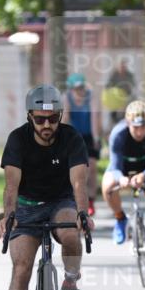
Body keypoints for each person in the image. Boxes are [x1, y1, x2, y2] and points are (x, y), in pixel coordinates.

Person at [0, 84, 95, 290]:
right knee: (22, 267)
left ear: (60, 116)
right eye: (40, 119)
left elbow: (79, 182)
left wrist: (82, 212)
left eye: (52, 119)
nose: (47, 125)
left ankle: (70, 283)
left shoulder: (71, 138)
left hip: (60, 201)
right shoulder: (17, 139)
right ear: (30, 116)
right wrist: (10, 214)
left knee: (70, 235)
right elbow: (11, 185)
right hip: (27, 204)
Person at [101, 100, 145, 271]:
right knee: (107, 186)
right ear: (128, 123)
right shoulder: (118, 134)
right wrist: (121, 178)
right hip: (123, 169)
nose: (140, 132)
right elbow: (116, 167)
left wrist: (143, 176)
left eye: (143, 127)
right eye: (135, 127)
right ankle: (120, 219)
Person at [63, 73, 102, 215]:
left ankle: (91, 199)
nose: (80, 91)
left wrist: (96, 138)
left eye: (81, 87)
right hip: (74, 136)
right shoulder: (66, 98)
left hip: (89, 135)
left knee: (91, 168)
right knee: (77, 170)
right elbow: (65, 118)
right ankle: (77, 200)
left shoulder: (91, 97)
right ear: (71, 89)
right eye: (76, 88)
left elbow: (94, 118)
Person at [102, 58, 136, 125]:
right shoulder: (114, 74)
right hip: (116, 97)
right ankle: (114, 123)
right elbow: (108, 85)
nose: (122, 67)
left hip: (126, 96)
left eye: (124, 65)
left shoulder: (130, 75)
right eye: (121, 65)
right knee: (113, 112)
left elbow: (132, 86)